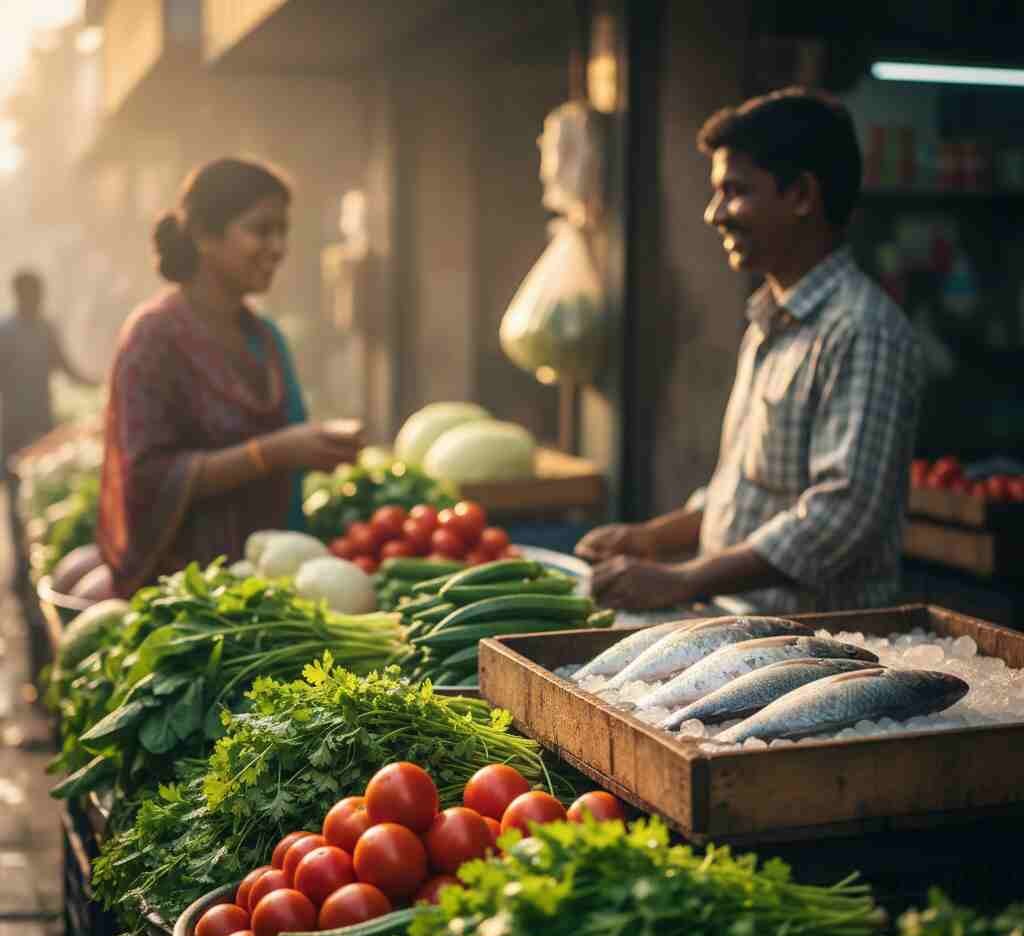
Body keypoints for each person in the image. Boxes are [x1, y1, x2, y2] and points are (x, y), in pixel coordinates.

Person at [577, 87, 923, 615]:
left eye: (735, 191)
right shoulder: (768, 322)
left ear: (802, 196)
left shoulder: (862, 330)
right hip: (741, 627)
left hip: (817, 650)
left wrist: (684, 578)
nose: (716, 213)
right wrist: (652, 538)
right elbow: (743, 492)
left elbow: (840, 516)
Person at [97, 158, 363, 597]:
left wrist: (318, 448)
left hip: (273, 592)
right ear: (204, 236)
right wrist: (272, 453)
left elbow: (289, 439)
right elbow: (146, 477)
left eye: (283, 232)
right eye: (261, 230)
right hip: (187, 598)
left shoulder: (266, 338)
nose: (278, 247)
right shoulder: (154, 338)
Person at [1, 270, 97, 590]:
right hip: (12, 428)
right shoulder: (6, 332)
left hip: (43, 426)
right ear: (20, 294)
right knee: (18, 493)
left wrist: (95, 383)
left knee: (36, 495)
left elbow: (66, 368)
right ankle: (21, 564)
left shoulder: (46, 329)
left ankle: (32, 562)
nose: (35, 299)